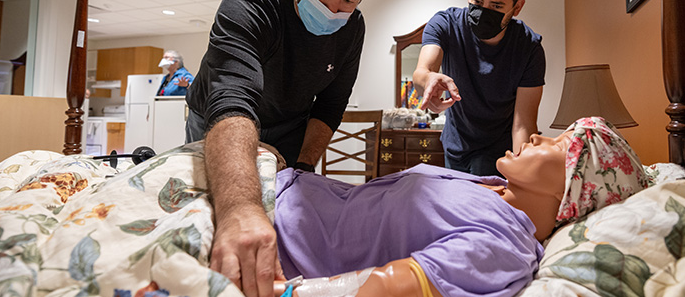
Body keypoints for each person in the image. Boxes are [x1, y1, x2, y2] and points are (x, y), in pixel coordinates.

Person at [183, 0, 382, 296]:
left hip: (290, 123)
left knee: (283, 214)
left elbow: (330, 104)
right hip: (223, 117)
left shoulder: (352, 28)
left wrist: (303, 168)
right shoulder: (249, 3)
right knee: (217, 212)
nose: (333, 8)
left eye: (350, 0)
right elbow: (232, 98)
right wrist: (239, 208)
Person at [267, 117, 648, 297]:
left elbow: (388, 286)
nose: (536, 136)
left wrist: (288, 294)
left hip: (277, 232)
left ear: (576, 187)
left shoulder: (503, 243)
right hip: (286, 186)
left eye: (560, 143)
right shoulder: (491, 186)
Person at [413, 0, 546, 178]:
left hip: (499, 150)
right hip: (455, 145)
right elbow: (422, 71)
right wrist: (428, 81)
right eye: (477, 2)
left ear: (517, 7)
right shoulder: (445, 24)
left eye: (496, 6)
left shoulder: (529, 48)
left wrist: (521, 174)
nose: (484, 11)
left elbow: (523, 124)